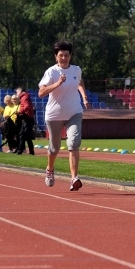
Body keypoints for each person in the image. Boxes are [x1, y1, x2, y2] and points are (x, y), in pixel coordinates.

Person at [39, 40, 91, 191]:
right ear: (56, 57)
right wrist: (57, 84)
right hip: (55, 114)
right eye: (61, 55)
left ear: (70, 56)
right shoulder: (51, 72)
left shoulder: (76, 70)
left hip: (74, 111)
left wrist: (84, 97)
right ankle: (50, 169)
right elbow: (41, 93)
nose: (64, 58)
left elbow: (80, 82)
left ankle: (74, 178)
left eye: (66, 55)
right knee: (54, 148)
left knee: (74, 143)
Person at [15, 86, 35, 155]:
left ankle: (20, 150)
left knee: (23, 134)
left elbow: (26, 107)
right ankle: (30, 151)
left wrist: (20, 112)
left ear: (20, 91)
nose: (16, 93)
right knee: (26, 136)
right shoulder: (24, 97)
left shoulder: (24, 97)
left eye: (17, 92)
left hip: (27, 118)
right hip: (28, 118)